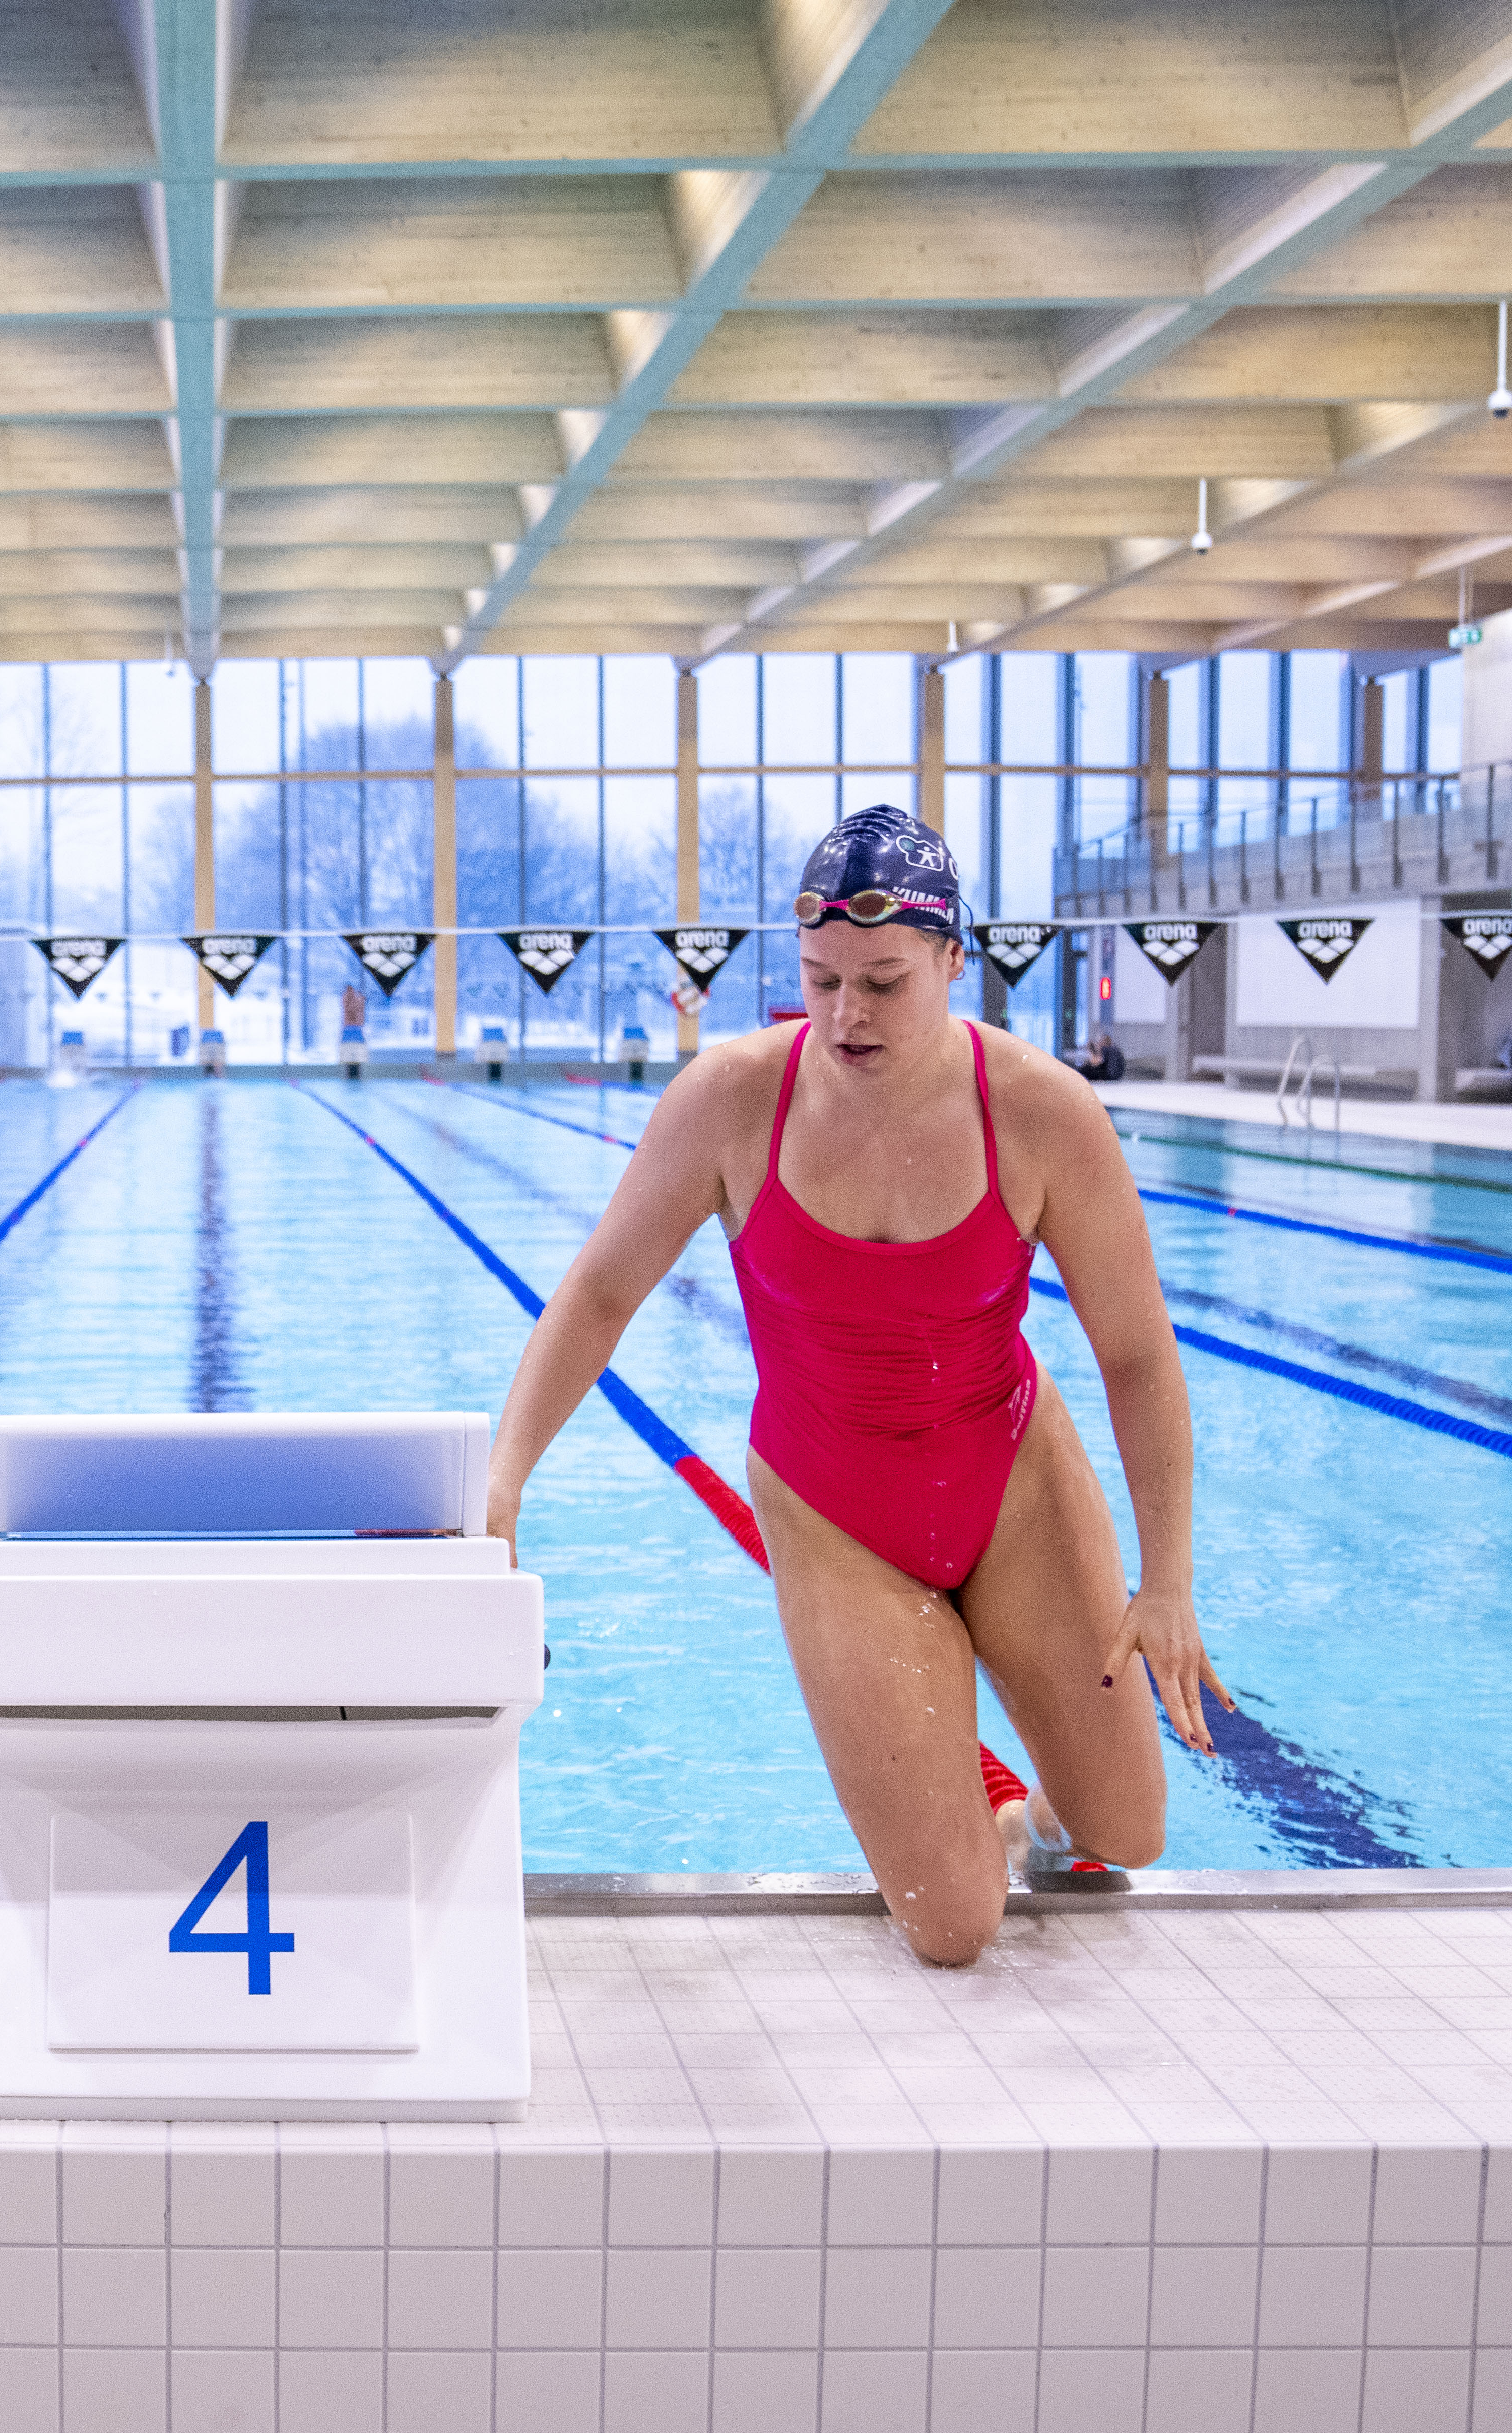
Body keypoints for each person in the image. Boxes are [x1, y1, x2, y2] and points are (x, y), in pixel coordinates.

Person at [479, 806, 1226, 1967]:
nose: (845, 1016)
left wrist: (1168, 1574)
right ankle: (959, 1799)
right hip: (835, 1510)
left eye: (883, 983)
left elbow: (1134, 1352)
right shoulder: (730, 1101)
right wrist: (503, 1479)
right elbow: (598, 1295)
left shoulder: (1041, 1112)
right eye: (822, 981)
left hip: (1011, 1479)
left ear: (952, 962)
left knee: (1127, 1834)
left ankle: (1027, 1791)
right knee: (954, 1931)